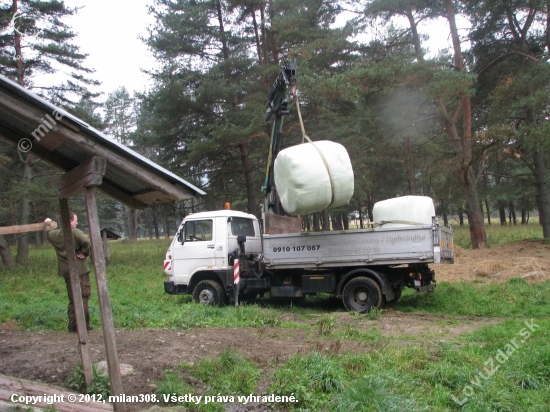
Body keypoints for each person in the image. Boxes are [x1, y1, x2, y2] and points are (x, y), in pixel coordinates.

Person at [44, 213, 93, 332]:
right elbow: (87, 241)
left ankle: (72, 325)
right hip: (79, 270)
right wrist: (85, 253)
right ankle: (84, 326)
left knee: (72, 298)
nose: (77, 223)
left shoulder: (56, 235)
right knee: (83, 297)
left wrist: (47, 222)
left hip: (66, 271)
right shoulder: (74, 232)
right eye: (75, 220)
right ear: (70, 221)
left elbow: (48, 231)